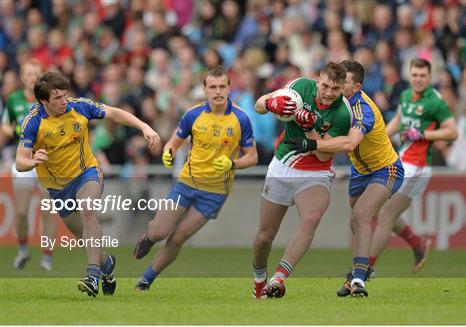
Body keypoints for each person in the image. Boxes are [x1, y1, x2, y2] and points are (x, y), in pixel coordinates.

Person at [16, 72, 160, 297]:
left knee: (88, 209)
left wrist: (144, 127)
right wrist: (32, 161)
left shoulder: (79, 107)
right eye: (57, 98)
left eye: (65, 95)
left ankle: (92, 276)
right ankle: (106, 265)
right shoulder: (33, 121)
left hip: (87, 174)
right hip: (58, 188)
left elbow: (113, 112)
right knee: (87, 239)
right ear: (44, 101)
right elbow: (19, 161)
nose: (64, 101)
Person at [133, 66, 258, 290]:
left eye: (222, 86)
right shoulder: (193, 114)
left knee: (179, 238)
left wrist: (232, 164)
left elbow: (253, 157)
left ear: (229, 88)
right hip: (187, 182)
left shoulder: (241, 119)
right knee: (160, 232)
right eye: (213, 87)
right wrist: (168, 152)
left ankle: (146, 279)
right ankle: (149, 238)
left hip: (216, 192)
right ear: (204, 89)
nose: (218, 91)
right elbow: (174, 142)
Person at [286, 60, 404, 298]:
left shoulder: (363, 110)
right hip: (359, 171)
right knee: (356, 221)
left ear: (357, 87)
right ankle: (358, 272)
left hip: (386, 169)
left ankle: (359, 278)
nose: (336, 85)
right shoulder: (336, 102)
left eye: (343, 82)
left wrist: (311, 143)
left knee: (361, 216)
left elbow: (350, 143)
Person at [251, 62, 352, 299]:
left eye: (335, 89)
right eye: (325, 86)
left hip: (315, 173)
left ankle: (279, 278)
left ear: (342, 89)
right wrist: (269, 102)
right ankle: (259, 278)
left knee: (312, 218)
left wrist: (309, 128)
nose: (329, 93)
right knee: (265, 235)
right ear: (318, 80)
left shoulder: (342, 113)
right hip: (283, 165)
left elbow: (325, 154)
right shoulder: (299, 87)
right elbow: (259, 106)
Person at [374, 58, 457, 277]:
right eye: (415, 75)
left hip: (418, 167)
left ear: (429, 78)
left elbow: (452, 132)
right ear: (409, 76)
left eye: (422, 76)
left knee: (384, 215)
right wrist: (378, 136)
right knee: (375, 210)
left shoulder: (435, 102)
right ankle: (417, 244)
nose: (418, 79)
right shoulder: (405, 95)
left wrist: (423, 134)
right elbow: (398, 121)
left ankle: (364, 268)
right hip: (401, 161)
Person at [2, 58, 56, 271]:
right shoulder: (14, 99)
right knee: (22, 211)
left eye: (35, 73)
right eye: (27, 73)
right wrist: (15, 131)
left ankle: (47, 259)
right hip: (24, 160)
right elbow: (5, 126)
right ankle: (23, 250)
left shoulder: (47, 98)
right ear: (22, 76)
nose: (31, 77)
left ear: (41, 75)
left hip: (45, 160)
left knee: (48, 211)